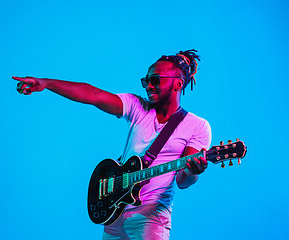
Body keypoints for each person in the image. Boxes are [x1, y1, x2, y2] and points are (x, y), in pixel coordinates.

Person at [13, 49, 211, 240]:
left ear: (178, 84)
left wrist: (194, 171)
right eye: (146, 81)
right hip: (116, 209)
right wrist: (47, 83)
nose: (148, 86)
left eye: (155, 80)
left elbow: (183, 181)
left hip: (151, 216)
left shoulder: (196, 126)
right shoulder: (137, 106)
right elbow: (93, 95)